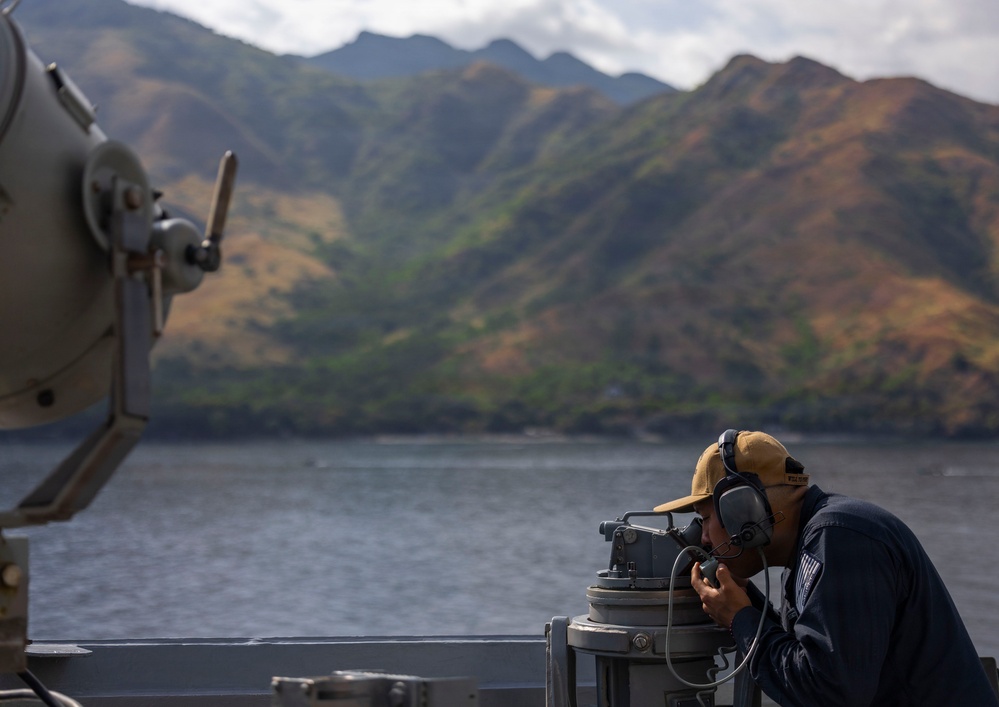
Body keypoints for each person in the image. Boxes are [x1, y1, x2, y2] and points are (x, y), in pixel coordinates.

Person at [654, 429, 999, 706]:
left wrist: (740, 619)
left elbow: (831, 692)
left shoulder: (840, 538)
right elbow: (811, 659)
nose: (706, 538)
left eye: (705, 519)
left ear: (743, 512)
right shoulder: (815, 544)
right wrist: (748, 604)